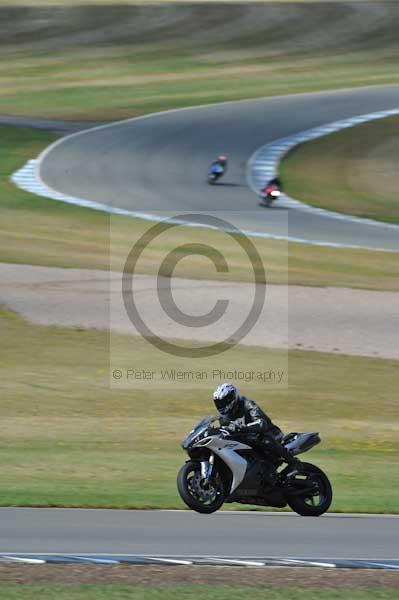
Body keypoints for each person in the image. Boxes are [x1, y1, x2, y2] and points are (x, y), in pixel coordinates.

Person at [213, 383, 299, 474]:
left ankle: (294, 462)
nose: (222, 405)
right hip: (248, 437)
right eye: (219, 403)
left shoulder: (248, 404)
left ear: (233, 397)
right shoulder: (225, 416)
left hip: (270, 433)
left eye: (224, 401)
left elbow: (261, 423)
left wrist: (241, 427)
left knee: (264, 439)